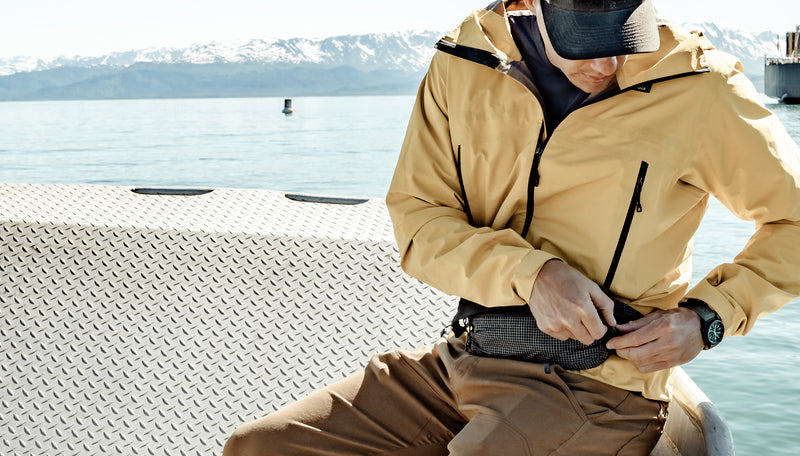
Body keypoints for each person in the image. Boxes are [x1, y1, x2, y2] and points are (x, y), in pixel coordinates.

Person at [223, 0, 800, 454]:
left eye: (625, 35)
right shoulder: (461, 63)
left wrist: (709, 319)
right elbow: (419, 219)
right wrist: (533, 275)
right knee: (260, 448)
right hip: (462, 357)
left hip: (600, 387)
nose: (607, 64)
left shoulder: (703, 88)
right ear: (529, 5)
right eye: (586, 42)